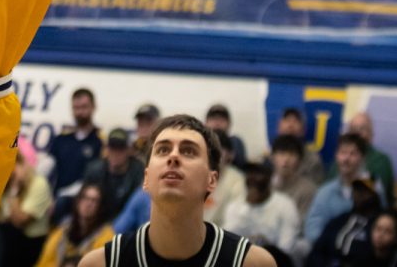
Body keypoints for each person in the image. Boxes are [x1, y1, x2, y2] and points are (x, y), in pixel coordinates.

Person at [81, 114, 275, 267]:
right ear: (146, 178)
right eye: (163, 150)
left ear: (211, 180)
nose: (173, 157)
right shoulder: (100, 263)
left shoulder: (251, 263)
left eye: (189, 151)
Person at [307, 134, 385, 245]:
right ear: (336, 156)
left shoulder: (374, 185)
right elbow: (313, 228)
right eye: (343, 153)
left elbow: (381, 221)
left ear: (362, 158)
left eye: (352, 154)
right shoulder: (325, 191)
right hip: (330, 248)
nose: (346, 159)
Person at [0, 139, 53, 267]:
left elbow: (19, 221)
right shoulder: (4, 183)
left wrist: (15, 189)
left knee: (4, 233)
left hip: (30, 243)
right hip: (7, 241)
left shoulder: (38, 183)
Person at [223, 162, 301, 256]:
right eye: (250, 173)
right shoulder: (235, 207)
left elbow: (286, 249)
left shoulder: (285, 205)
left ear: (270, 177)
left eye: (259, 173)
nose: (253, 178)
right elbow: (227, 244)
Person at [35, 183, 114, 267]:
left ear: (101, 207)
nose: (88, 204)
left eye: (94, 201)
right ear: (78, 202)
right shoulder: (63, 230)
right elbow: (44, 261)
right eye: (85, 198)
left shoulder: (107, 236)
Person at [49, 89, 105, 202]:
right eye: (76, 108)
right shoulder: (61, 140)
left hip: (85, 201)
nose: (80, 112)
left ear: (93, 107)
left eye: (84, 107)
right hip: (58, 199)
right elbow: (49, 171)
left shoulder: (100, 141)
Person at [83, 129, 145, 223]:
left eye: (121, 148)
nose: (116, 153)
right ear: (107, 149)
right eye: (112, 147)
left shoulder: (138, 171)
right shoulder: (94, 170)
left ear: (129, 150)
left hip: (128, 223)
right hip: (97, 223)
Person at [269, 134, 319, 222]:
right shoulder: (264, 184)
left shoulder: (308, 189)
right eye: (281, 154)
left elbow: (302, 223)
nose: (286, 159)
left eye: (291, 155)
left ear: (300, 160)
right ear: (272, 157)